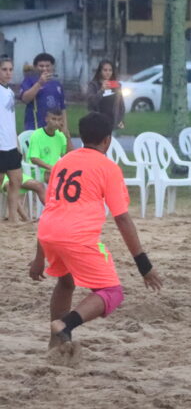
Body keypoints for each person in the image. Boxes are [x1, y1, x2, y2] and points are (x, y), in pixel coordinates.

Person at [29, 112, 162, 348]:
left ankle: (56, 343)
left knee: (66, 283)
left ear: (82, 137)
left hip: (49, 232)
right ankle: (64, 326)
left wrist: (39, 258)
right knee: (112, 292)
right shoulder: (108, 168)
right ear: (107, 140)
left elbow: (49, 209)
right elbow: (122, 219)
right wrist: (144, 265)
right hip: (76, 237)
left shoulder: (63, 162)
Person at [19, 52, 69, 136]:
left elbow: (62, 108)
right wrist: (39, 83)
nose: (44, 69)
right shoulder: (29, 81)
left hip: (54, 129)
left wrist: (64, 127)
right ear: (35, 67)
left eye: (47, 66)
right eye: (41, 66)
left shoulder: (57, 84)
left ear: (52, 67)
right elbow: (25, 99)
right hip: (35, 128)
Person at [0, 55, 23, 223]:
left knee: (16, 181)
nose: (8, 73)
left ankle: (13, 217)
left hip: (11, 145)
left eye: (10, 69)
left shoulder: (9, 92)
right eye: (4, 69)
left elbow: (10, 119)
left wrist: (16, 142)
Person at [28, 108, 74, 182]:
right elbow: (34, 159)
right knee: (58, 178)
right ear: (46, 119)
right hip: (39, 170)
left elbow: (70, 156)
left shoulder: (60, 136)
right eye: (54, 119)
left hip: (55, 170)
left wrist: (67, 137)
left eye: (59, 120)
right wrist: (50, 167)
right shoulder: (37, 135)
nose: (56, 123)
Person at [87, 59, 125, 130]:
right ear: (100, 71)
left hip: (112, 123)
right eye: (105, 70)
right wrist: (101, 90)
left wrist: (119, 121)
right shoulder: (93, 85)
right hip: (97, 123)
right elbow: (91, 103)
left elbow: (121, 106)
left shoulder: (116, 85)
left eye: (110, 70)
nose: (108, 72)